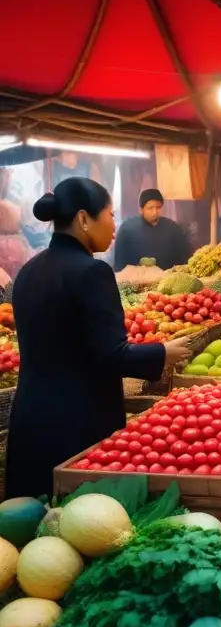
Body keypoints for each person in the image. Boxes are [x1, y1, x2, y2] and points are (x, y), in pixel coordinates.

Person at [6, 178, 189, 498]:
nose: (115, 225)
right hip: (78, 422)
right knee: (83, 522)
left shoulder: (29, 270)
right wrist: (164, 352)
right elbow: (110, 355)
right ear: (83, 219)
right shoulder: (92, 272)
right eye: (110, 214)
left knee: (32, 519)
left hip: (30, 420)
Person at [113, 188, 192, 271]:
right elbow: (119, 266)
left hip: (167, 280)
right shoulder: (127, 230)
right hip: (135, 281)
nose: (155, 212)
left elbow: (182, 262)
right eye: (150, 208)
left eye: (158, 207)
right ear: (141, 210)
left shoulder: (174, 229)